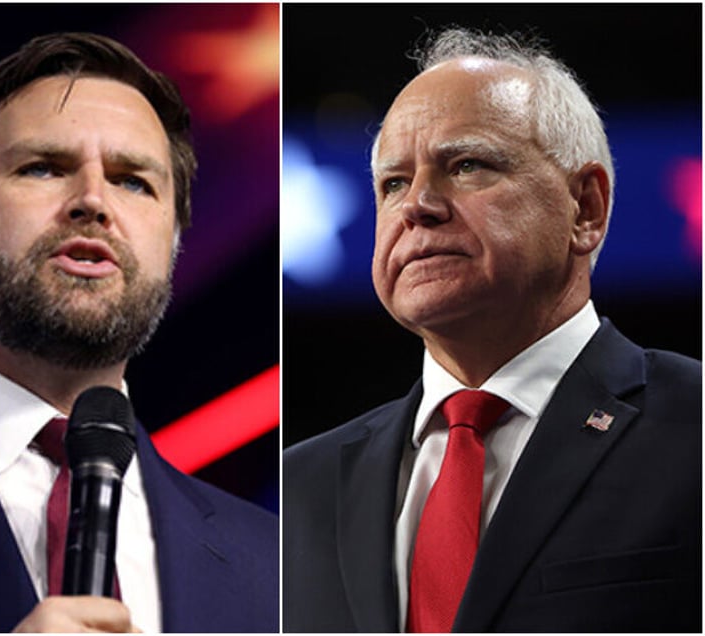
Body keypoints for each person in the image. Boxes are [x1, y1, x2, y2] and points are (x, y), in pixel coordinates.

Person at [283, 27, 701, 632]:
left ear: (585, 208)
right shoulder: (300, 487)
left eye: (467, 165)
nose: (416, 205)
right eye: (393, 183)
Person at [0, 32, 278, 633]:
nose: (93, 200)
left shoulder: (272, 562)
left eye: (133, 180)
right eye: (43, 167)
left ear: (174, 242)